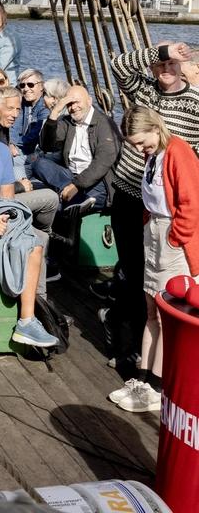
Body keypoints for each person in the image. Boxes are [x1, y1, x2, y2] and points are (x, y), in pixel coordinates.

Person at [101, 41, 199, 364]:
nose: (166, 70)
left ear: (183, 68)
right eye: (161, 64)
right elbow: (119, 66)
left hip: (167, 209)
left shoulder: (194, 103)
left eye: (172, 65)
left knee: (157, 284)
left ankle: (151, 358)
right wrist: (164, 50)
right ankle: (124, 342)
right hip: (129, 195)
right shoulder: (144, 91)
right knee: (133, 274)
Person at [108, 107, 199, 414]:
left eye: (139, 142)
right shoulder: (153, 155)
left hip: (172, 240)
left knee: (164, 313)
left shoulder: (178, 151)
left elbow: (191, 201)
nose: (138, 148)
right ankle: (143, 377)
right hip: (154, 234)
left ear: (153, 128)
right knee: (150, 309)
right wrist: (149, 226)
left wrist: (174, 238)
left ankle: (158, 387)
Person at [0, 103, 59, 359]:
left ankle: (26, 321)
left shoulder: (2, 151)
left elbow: (6, 197)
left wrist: (2, 221)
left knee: (34, 243)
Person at [0, 86, 60, 292]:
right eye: (10, 109)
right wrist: (20, 186)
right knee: (50, 197)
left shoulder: (1, 129)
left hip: (5, 196)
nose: (14, 114)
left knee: (41, 237)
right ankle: (42, 227)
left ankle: (39, 299)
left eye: (18, 110)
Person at [32, 85, 120, 213]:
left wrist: (76, 185)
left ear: (89, 101)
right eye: (69, 104)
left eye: (77, 102)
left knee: (59, 204)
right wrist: (55, 113)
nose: (73, 108)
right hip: (70, 176)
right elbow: (46, 145)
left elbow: (102, 162)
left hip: (98, 181)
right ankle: (76, 199)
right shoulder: (67, 122)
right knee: (39, 163)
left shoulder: (104, 123)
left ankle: (68, 200)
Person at [10, 68, 49, 180]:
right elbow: (15, 126)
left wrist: (16, 147)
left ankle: (22, 185)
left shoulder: (44, 106)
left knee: (11, 160)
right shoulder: (24, 104)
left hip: (37, 153)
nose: (26, 89)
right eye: (22, 85)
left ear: (41, 86)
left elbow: (36, 134)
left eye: (31, 85)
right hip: (24, 148)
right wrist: (11, 143)